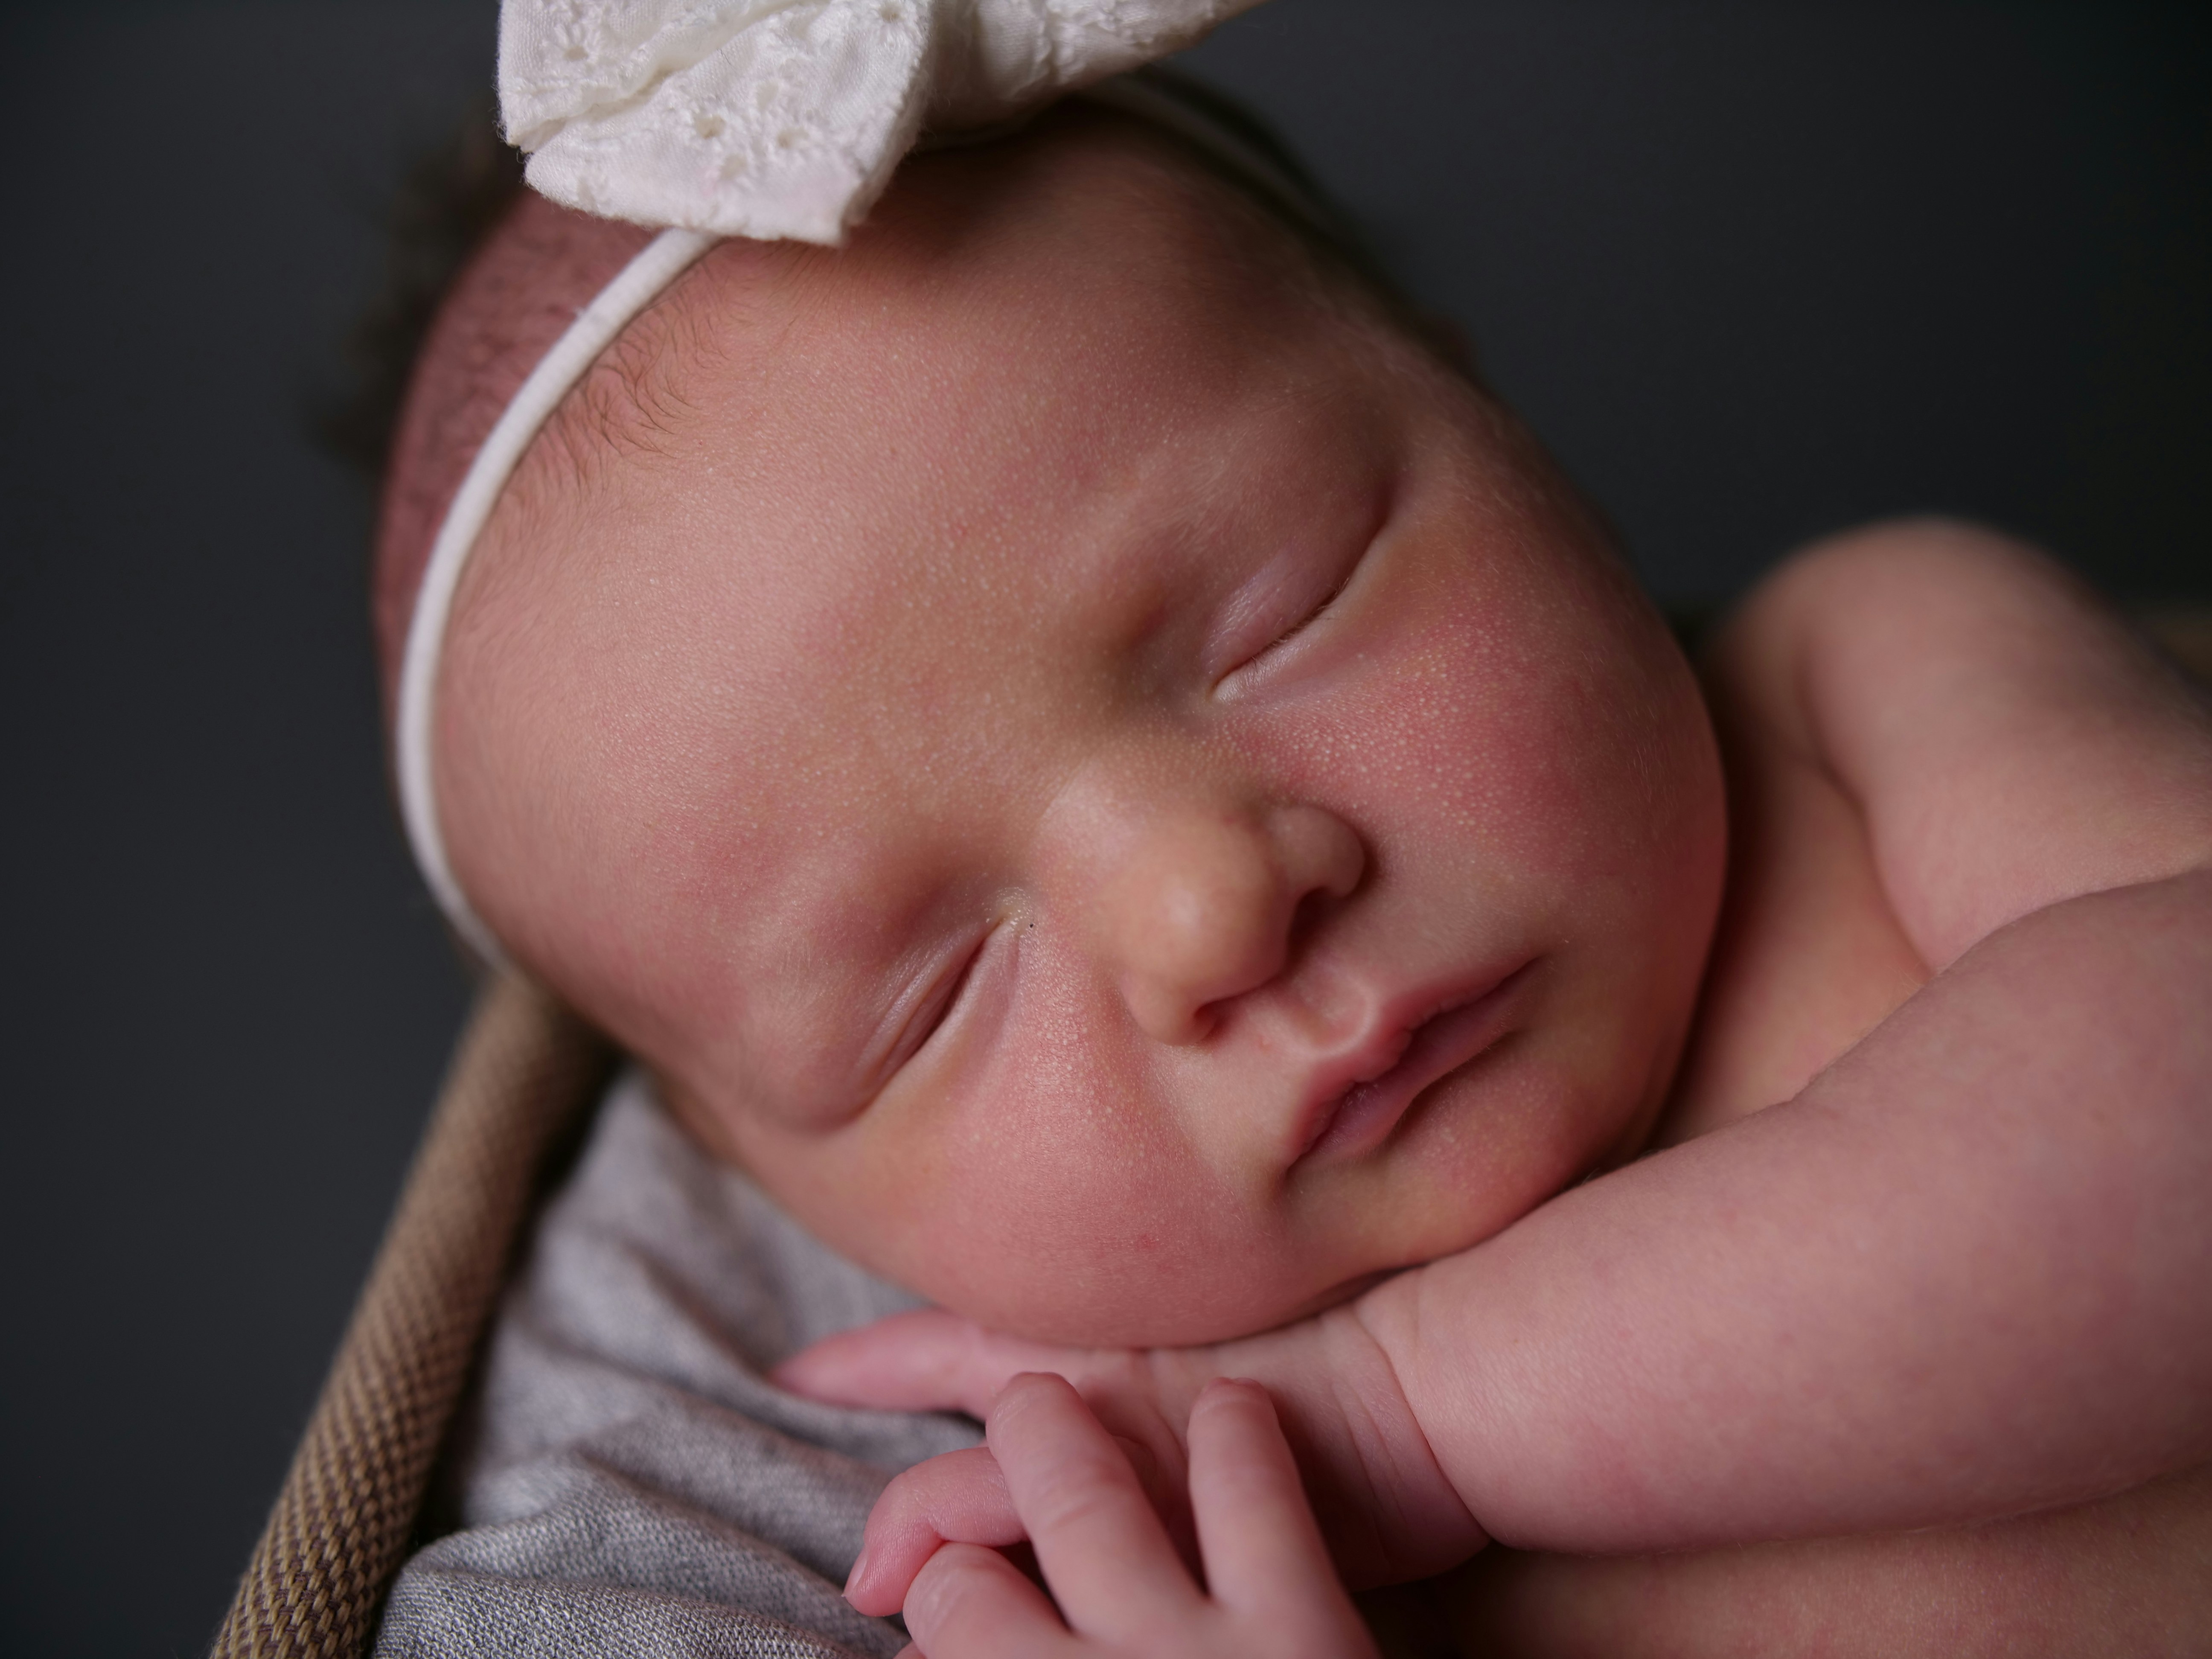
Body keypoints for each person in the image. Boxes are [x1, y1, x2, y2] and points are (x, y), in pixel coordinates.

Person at [374, 83, 2212, 1659]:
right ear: (781, 1208)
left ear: (1490, 411)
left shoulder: (1870, 678)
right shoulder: (1150, 1543)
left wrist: (1426, 1412)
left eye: (1284, 616)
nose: (1209, 904)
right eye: (935, 996)